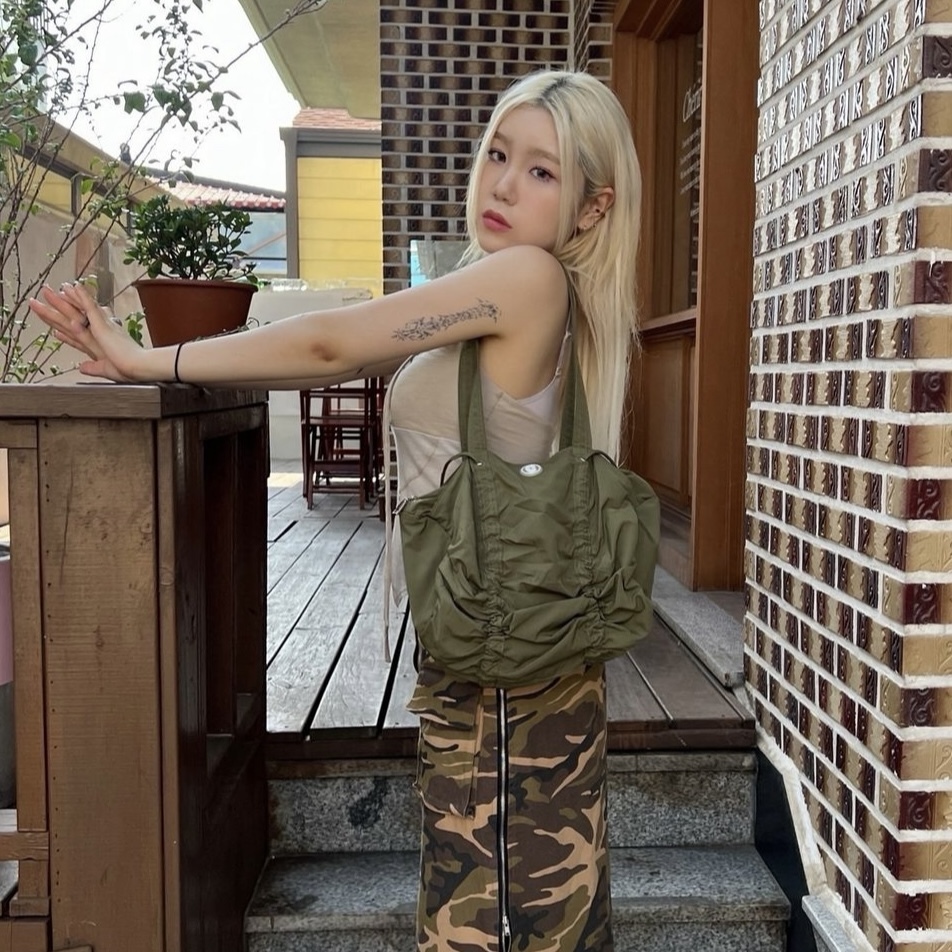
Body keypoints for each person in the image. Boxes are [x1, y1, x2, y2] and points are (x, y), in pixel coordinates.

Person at [30, 68, 642, 952]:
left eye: (542, 171)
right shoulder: (532, 295)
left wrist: (148, 361)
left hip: (507, 690)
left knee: (496, 921)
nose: (504, 184)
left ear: (592, 207)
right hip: (506, 660)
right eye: (499, 155)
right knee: (529, 914)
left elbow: (330, 345)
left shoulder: (529, 279)